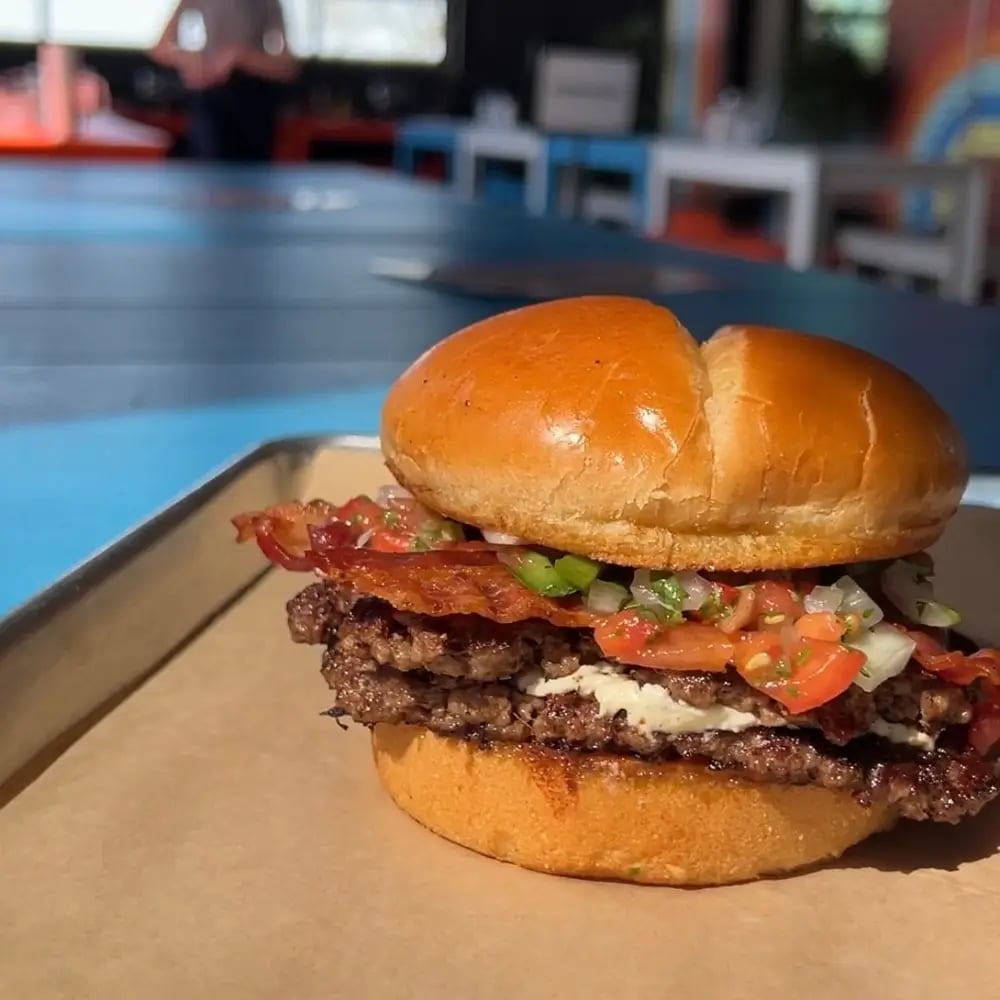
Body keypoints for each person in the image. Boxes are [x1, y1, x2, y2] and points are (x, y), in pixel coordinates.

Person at [150, 0, 299, 162]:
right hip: (209, 100)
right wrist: (190, 59)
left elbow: (287, 67)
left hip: (254, 103)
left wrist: (240, 57)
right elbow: (161, 49)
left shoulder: (267, 3)